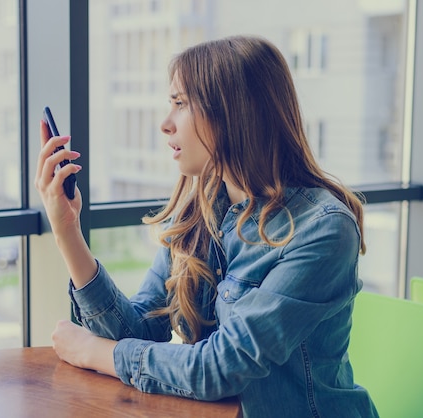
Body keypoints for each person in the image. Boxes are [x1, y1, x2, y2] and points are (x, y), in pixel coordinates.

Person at [35, 35, 379, 418]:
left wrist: (94, 351)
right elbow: (138, 332)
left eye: (181, 104)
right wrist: (67, 230)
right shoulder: (201, 213)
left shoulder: (322, 231)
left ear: (234, 113)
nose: (166, 124)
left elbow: (222, 368)